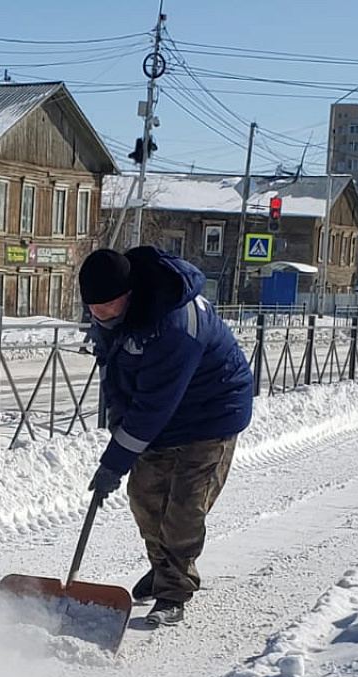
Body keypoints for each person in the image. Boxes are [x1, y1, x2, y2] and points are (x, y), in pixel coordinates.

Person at [78, 246, 253, 627]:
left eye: (108, 305)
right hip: (163, 412)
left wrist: (115, 461)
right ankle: (163, 568)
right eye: (93, 307)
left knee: (184, 507)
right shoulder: (113, 315)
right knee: (145, 498)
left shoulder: (174, 322)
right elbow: (116, 373)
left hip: (211, 413)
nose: (100, 314)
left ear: (129, 294)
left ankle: (173, 591)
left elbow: (154, 406)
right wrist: (118, 423)